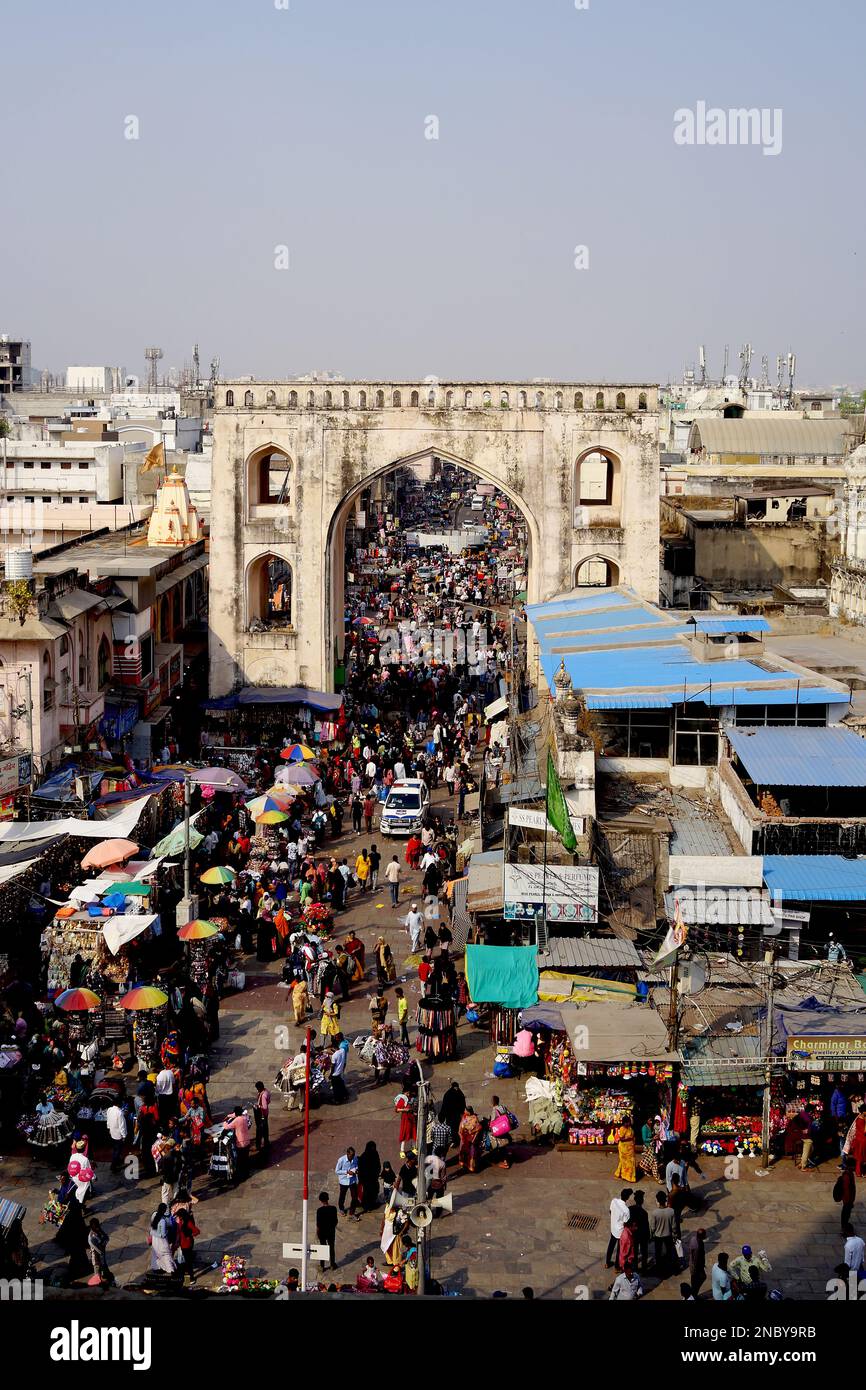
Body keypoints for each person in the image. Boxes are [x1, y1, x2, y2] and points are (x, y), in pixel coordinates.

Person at [649, 1190, 675, 1275]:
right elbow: (674, 1226)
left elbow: (653, 1227)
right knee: (669, 1251)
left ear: (657, 1201)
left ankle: (659, 1268)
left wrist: (651, 1235)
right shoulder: (671, 1211)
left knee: (658, 1252)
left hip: (658, 1236)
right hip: (668, 1235)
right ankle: (670, 1267)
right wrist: (675, 1234)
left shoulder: (655, 1213)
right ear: (665, 1200)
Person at [223, 1107, 252, 1182]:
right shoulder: (245, 1117)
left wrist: (225, 1122)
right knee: (245, 1158)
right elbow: (235, 1115)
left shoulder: (236, 1120)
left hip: (240, 1142)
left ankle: (241, 1176)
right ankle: (246, 1174)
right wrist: (230, 1115)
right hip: (247, 1141)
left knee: (240, 1160)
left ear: (236, 1113)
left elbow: (226, 1127)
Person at [606, 1188, 633, 1268]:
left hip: (613, 1228)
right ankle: (617, 1267)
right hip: (620, 1232)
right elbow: (626, 1222)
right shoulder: (626, 1210)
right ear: (627, 1198)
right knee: (619, 1250)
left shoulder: (614, 1201)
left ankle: (607, 1262)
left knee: (611, 1245)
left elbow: (610, 1211)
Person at [149, 1202, 176, 1276]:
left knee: (155, 1254)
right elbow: (163, 1234)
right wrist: (167, 1230)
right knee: (166, 1255)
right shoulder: (162, 1221)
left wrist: (152, 1233)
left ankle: (156, 1268)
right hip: (161, 1241)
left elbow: (152, 1227)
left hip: (155, 1240)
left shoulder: (154, 1215)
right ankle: (171, 1270)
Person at [87, 1218, 114, 1287]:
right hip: (96, 1259)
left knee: (106, 1272)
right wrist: (103, 1243)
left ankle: (109, 1283)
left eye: (97, 1226)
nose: (97, 1228)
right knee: (97, 1276)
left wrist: (102, 1243)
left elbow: (107, 1238)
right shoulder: (91, 1237)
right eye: (95, 1227)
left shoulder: (99, 1231)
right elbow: (99, 1250)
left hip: (102, 1257)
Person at [439, 1080, 466, 1147]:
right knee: (454, 1128)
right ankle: (455, 1141)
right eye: (456, 1087)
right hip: (453, 1115)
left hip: (453, 1115)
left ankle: (455, 1141)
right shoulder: (458, 1093)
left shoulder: (449, 1094)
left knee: (454, 1128)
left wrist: (442, 1115)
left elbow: (444, 1105)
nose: (456, 1089)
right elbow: (445, 1105)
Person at [335, 1146, 360, 1217]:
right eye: (351, 1155)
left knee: (355, 1197)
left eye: (354, 1155)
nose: (353, 1157)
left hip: (352, 1180)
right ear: (347, 1154)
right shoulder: (341, 1160)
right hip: (343, 1181)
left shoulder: (355, 1158)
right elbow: (337, 1171)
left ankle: (352, 1212)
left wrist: (356, 1169)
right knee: (342, 1196)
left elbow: (356, 1165)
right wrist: (347, 1172)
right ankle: (341, 1208)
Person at [316, 1191, 338, 1270]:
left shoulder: (319, 1211)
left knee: (322, 1248)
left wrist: (317, 1233)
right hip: (331, 1232)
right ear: (328, 1199)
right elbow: (336, 1221)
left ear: (320, 1200)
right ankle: (332, 1264)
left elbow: (318, 1224)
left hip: (322, 1232)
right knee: (331, 1248)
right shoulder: (333, 1209)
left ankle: (322, 1266)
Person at [357, 1140, 382, 1211]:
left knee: (374, 1192)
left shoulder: (375, 1154)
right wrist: (361, 1180)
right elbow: (361, 1170)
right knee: (367, 1193)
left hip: (373, 1179)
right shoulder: (363, 1157)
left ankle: (372, 1204)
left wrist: (377, 1173)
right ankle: (367, 1206)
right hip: (366, 1180)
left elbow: (378, 1164)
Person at [683, 1227, 707, 1299]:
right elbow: (696, 1259)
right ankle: (694, 1293)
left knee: (694, 1280)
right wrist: (699, 1268)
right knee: (701, 1278)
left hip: (693, 1264)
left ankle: (694, 1292)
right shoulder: (698, 1247)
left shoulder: (693, 1238)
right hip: (696, 1266)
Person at [458, 1106, 483, 1173]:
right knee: (466, 1151)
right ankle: (465, 1164)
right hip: (466, 1137)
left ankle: (470, 1166)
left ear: (468, 1112)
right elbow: (461, 1126)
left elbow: (479, 1127)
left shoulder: (474, 1118)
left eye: (465, 1111)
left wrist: (471, 1132)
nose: (464, 1112)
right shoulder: (465, 1117)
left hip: (470, 1138)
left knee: (470, 1152)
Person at [105, 1099, 128, 1174]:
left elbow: (108, 1120)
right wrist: (124, 1135)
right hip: (118, 1135)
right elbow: (122, 1126)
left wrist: (109, 1128)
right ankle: (113, 1166)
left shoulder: (109, 1110)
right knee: (117, 1151)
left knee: (115, 1149)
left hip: (112, 1132)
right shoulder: (119, 1112)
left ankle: (116, 1162)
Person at [835, 1157, 857, 1232]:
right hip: (847, 1200)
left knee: (847, 1214)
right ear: (851, 1166)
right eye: (854, 1165)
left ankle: (845, 1226)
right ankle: (844, 1228)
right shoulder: (847, 1175)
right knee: (845, 1214)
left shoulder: (849, 1174)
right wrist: (849, 1201)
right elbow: (847, 1189)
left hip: (849, 1199)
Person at [630, 1190, 650, 1274]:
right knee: (644, 1252)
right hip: (643, 1235)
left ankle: (635, 1268)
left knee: (634, 1252)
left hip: (634, 1235)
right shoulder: (644, 1213)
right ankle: (644, 1269)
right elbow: (646, 1226)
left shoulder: (630, 1209)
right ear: (642, 1201)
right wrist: (648, 1236)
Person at [329, 1040, 349, 1104]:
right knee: (341, 1084)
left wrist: (330, 1074)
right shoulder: (342, 1051)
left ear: (333, 1048)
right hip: (340, 1071)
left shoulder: (334, 1056)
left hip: (335, 1073)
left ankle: (337, 1100)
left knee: (335, 1088)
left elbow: (333, 1066)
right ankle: (345, 1095)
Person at [253, 1081, 271, 1152]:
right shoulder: (266, 1091)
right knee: (265, 1128)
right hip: (265, 1114)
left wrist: (258, 1106)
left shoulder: (263, 1095)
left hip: (262, 1114)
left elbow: (264, 1107)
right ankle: (266, 1142)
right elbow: (268, 1101)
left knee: (259, 1129)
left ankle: (258, 1145)